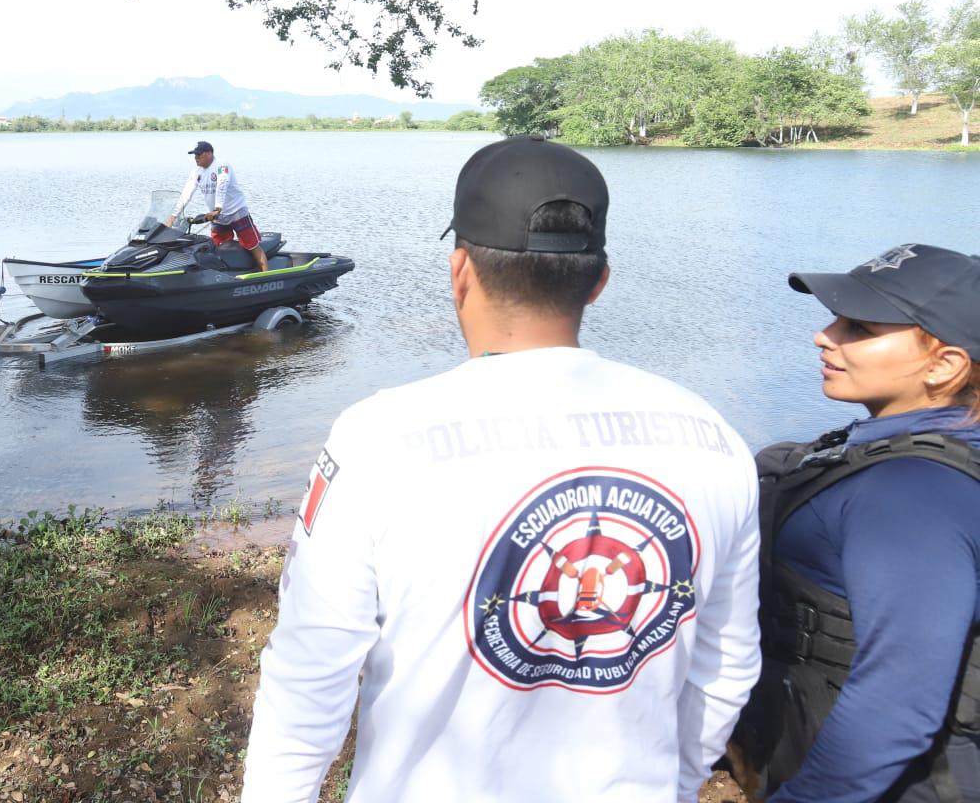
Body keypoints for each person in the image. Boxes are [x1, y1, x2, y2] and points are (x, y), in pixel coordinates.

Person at [241, 135, 761, 803]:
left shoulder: (379, 441)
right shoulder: (712, 438)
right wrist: (680, 783)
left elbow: (309, 678)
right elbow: (726, 666)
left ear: (460, 270)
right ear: (599, 281)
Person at [734, 244, 980, 802]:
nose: (825, 336)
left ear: (945, 365)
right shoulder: (926, 455)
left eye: (859, 328)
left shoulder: (913, 495)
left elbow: (899, 702)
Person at [166, 140, 268, 273]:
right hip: (217, 216)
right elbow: (186, 193)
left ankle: (265, 274)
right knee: (217, 247)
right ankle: (226, 275)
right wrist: (173, 216)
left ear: (209, 154)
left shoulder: (222, 166)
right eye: (194, 156)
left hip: (236, 212)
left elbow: (222, 185)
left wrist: (218, 208)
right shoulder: (196, 172)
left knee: (252, 245)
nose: (196, 158)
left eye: (199, 155)